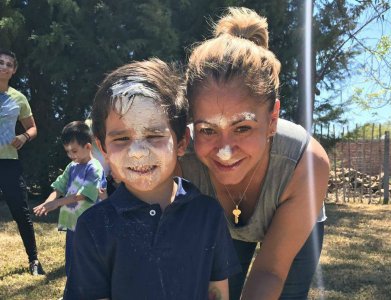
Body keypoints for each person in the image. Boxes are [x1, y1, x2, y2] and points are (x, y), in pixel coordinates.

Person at [178, 7, 330, 300]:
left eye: (243, 128)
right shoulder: (182, 159)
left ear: (272, 120)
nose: (224, 151)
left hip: (296, 220)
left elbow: (270, 271)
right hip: (228, 231)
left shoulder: (307, 164)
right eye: (207, 130)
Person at [63, 58, 240, 300]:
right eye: (121, 139)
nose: (137, 151)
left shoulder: (208, 215)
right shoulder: (93, 227)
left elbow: (217, 291)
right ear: (102, 148)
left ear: (181, 142)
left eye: (154, 135)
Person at [33, 121, 106, 276]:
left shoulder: (95, 168)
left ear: (87, 147)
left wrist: (56, 203)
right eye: (67, 152)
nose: (71, 156)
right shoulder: (72, 166)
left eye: (74, 151)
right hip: (73, 223)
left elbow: (84, 194)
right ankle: (72, 292)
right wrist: (47, 203)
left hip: (89, 224)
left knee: (87, 261)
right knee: (72, 260)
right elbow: (59, 186)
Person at [0, 49, 44, 275]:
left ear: (14, 70)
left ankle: (34, 260)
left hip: (8, 161)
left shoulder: (19, 98)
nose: (4, 66)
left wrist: (24, 136)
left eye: (9, 64)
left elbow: (33, 128)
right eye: (1, 62)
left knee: (20, 211)